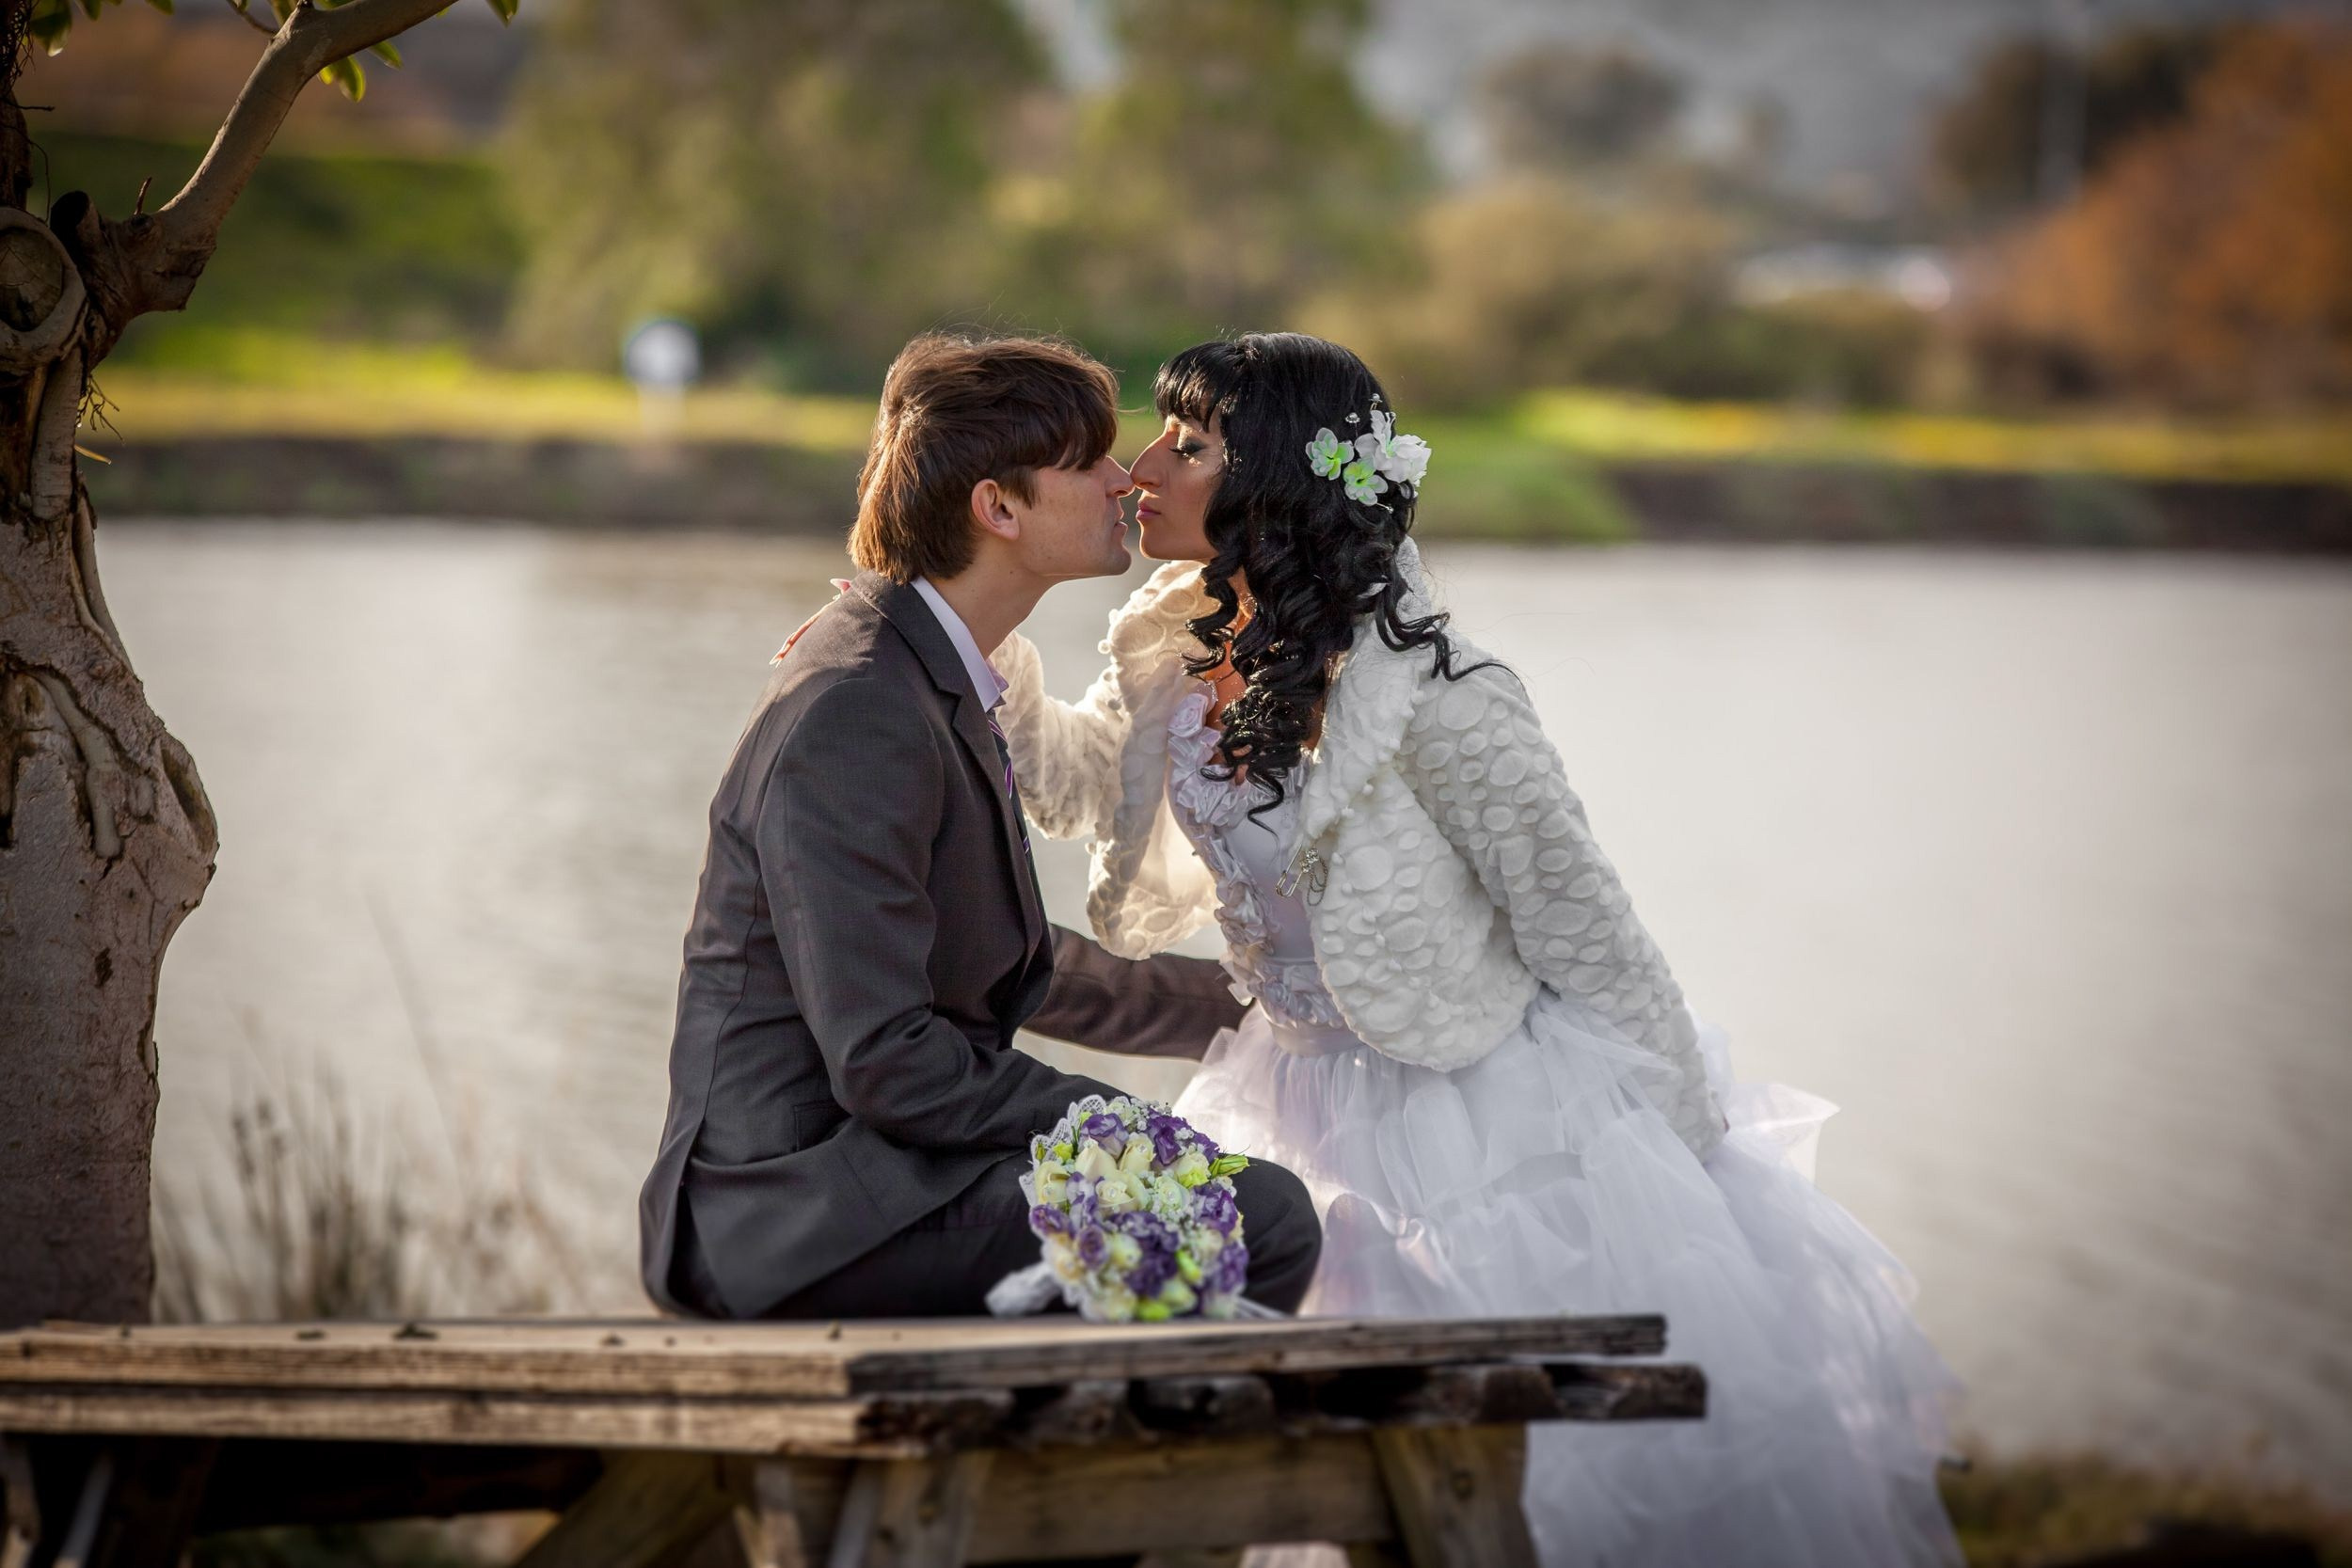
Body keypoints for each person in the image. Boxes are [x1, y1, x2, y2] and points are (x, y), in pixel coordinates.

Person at [993, 331, 1963, 1565]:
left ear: (1275, 478)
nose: (1142, 466)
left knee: (1519, 1490)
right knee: (1326, 1487)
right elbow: (1086, 782)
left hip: (1479, 1117)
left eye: (1186, 444)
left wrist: (1690, 1168)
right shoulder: (1167, 646)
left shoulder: (1447, 694)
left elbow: (1590, 930)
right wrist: (983, 653)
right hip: (1285, 1097)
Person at [639, 332, 1322, 1321]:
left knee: (1232, 1197)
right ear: (998, 507)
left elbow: (1013, 966)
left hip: (878, 1175)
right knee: (1259, 1214)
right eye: (1084, 460)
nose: (1123, 478)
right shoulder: (857, 707)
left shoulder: (926, 669)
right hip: (794, 1215)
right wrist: (1139, 1130)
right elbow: (887, 1058)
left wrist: (1263, 1014)